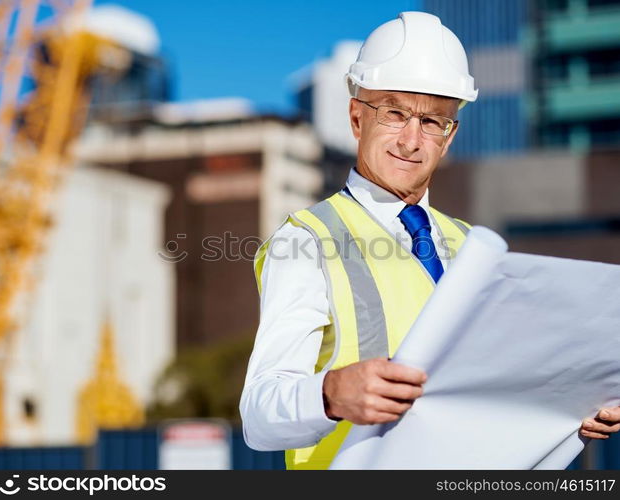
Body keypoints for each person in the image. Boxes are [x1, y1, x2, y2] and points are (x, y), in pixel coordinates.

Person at [239, 11, 620, 470]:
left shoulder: (472, 247)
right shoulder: (306, 241)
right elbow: (259, 416)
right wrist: (331, 395)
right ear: (357, 117)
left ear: (450, 135)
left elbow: (494, 403)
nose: (411, 140)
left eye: (433, 122)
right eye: (395, 113)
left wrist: (566, 422)